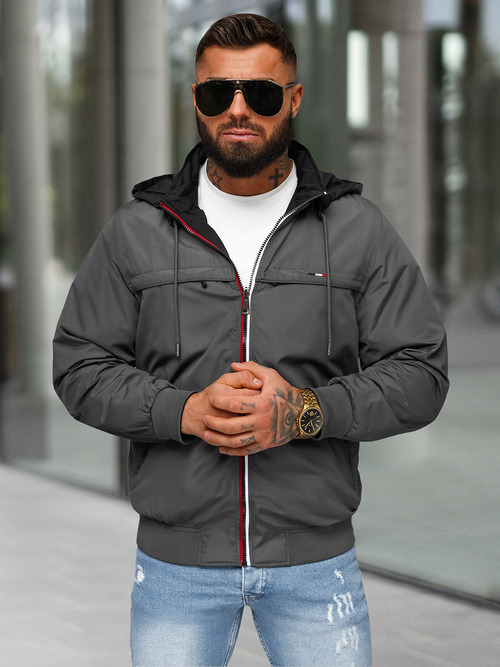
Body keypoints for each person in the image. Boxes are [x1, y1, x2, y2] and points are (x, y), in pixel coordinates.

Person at [53, 13, 449, 667]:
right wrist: (183, 410)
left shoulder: (356, 228)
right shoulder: (136, 230)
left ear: (294, 98)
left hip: (316, 566)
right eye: (219, 93)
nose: (238, 110)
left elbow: (422, 372)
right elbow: (79, 364)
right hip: (177, 568)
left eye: (261, 93)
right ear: (196, 99)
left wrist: (304, 411)